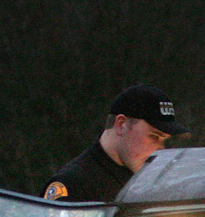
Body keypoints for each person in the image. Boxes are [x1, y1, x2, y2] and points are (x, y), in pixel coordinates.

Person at [43, 85, 188, 202]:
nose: (160, 149)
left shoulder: (148, 182)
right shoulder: (73, 185)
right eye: (154, 136)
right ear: (121, 124)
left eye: (164, 140)